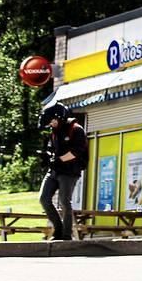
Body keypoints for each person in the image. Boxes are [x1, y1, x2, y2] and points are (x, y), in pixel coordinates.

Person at [38, 102, 87, 241]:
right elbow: (51, 150)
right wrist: (46, 157)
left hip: (69, 171)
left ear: (59, 117)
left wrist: (59, 160)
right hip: (54, 171)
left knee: (64, 201)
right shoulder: (54, 132)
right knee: (44, 198)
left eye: (51, 122)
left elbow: (77, 151)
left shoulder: (76, 130)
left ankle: (66, 235)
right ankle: (58, 229)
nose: (50, 125)